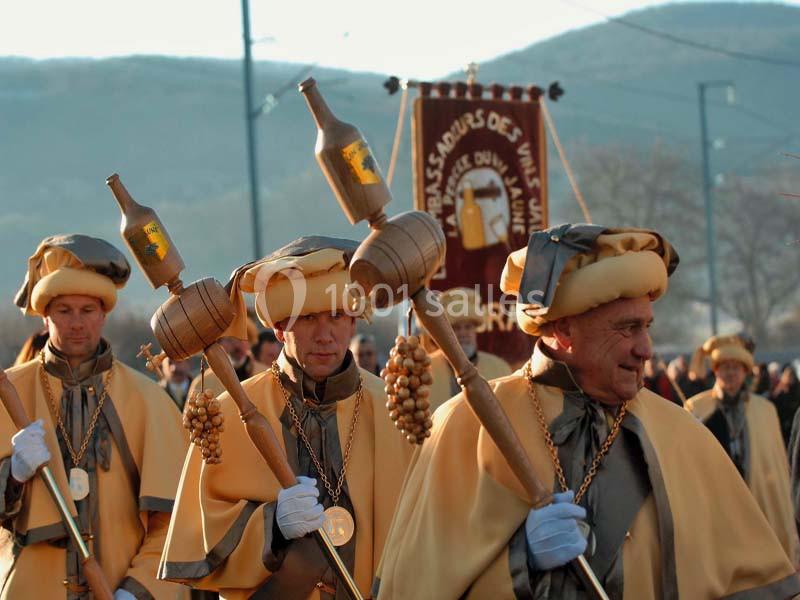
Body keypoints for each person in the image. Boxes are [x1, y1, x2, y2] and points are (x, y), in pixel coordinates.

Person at [375, 224, 799, 599]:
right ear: (563, 329)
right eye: (627, 328)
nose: (645, 349)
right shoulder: (466, 427)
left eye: (647, 326)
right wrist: (521, 565)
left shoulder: (683, 435)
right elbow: (413, 586)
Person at [160, 236, 413, 598]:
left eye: (337, 317)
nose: (325, 335)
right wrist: (272, 526)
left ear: (354, 323)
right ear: (279, 328)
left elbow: (424, 533)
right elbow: (200, 534)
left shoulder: (390, 408)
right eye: (308, 318)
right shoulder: (232, 411)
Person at [1, 234, 187, 599]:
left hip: (122, 587)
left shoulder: (149, 400)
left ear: (104, 314)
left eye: (87, 311)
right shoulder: (10, 392)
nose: (76, 324)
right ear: (45, 316)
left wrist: (140, 590)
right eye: (64, 311)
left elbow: (173, 526)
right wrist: (12, 476)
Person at [686, 335, 799, 564]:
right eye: (725, 367)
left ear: (745, 372)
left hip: (756, 502)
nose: (730, 373)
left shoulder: (765, 410)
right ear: (715, 371)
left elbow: (776, 468)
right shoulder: (696, 408)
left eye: (736, 368)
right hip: (716, 506)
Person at [426, 287, 512, 413]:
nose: (463, 333)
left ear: (475, 330)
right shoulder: (427, 369)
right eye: (456, 328)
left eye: (468, 327)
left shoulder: (500, 368)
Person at [187, 317, 267, 402]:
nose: (237, 346)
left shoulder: (265, 374)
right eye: (230, 340)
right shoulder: (203, 382)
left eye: (241, 339)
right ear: (219, 343)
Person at [771, 364, 800, 446]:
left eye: (791, 375)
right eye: (788, 375)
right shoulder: (780, 391)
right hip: (784, 427)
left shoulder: (797, 389)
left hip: (794, 425)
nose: (790, 378)